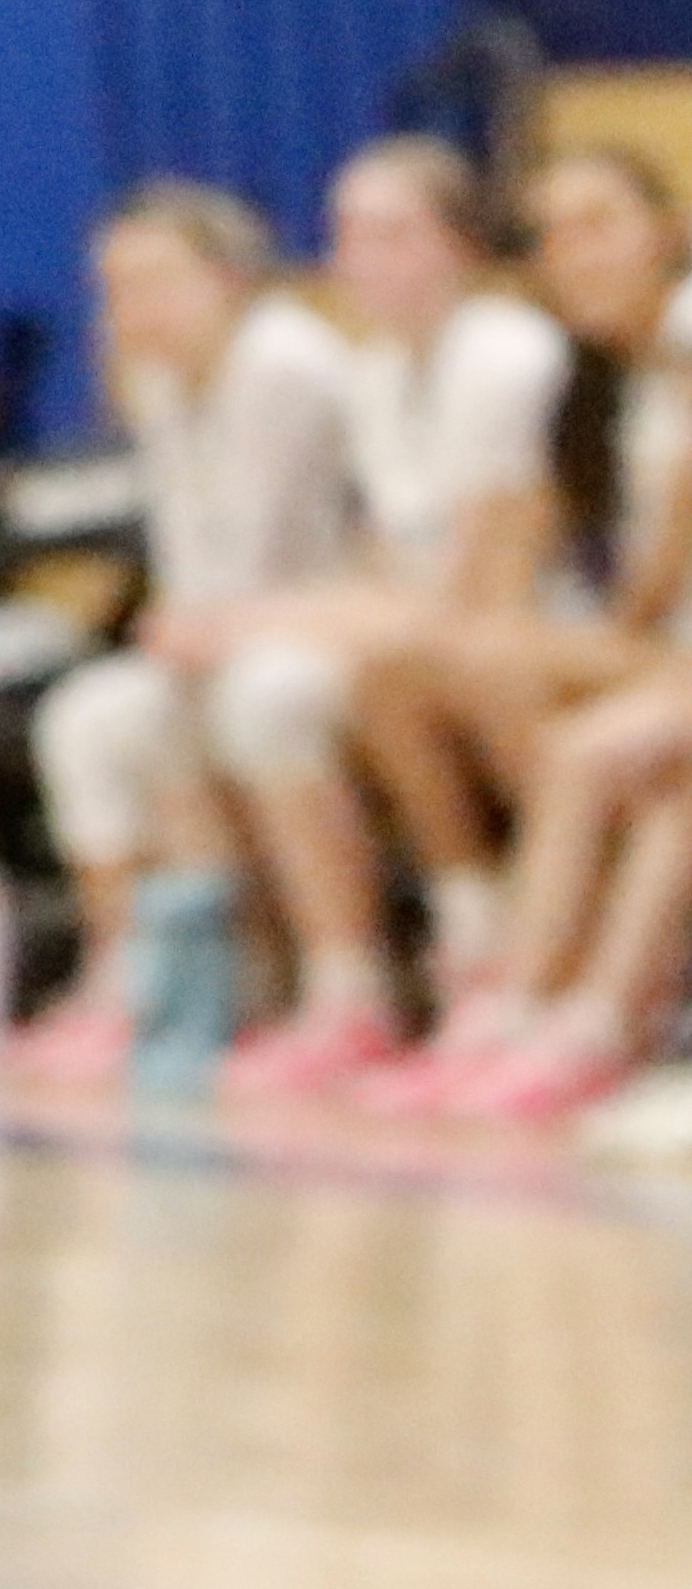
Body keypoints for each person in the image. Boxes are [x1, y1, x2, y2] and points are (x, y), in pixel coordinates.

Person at [179, 138, 570, 1097]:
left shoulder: (506, 353)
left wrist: (263, 619)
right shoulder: (378, 371)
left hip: (540, 622)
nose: (361, 256)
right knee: (307, 679)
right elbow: (384, 561)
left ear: (463, 245)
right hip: (430, 632)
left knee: (341, 678)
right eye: (349, 233)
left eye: (394, 232)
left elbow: (478, 586)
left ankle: (497, 968)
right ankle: (353, 979)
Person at [337, 144, 692, 1121]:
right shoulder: (598, 371)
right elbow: (543, 539)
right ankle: (512, 977)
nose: (573, 253)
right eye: (553, 234)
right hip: (656, 647)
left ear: (665, 228)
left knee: (576, 736)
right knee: (425, 670)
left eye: (599, 224)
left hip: (669, 650)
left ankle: (569, 1012)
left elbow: (653, 577)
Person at [0, 182, 350, 1086]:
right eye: (111, 286)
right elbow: (191, 553)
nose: (126, 307)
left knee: (253, 702)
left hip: (327, 624)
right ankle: (148, 978)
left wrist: (214, 626)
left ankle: (345, 984)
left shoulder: (284, 362)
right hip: (229, 630)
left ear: (229, 277)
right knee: (91, 718)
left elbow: (271, 547)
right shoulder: (157, 377)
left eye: (151, 280)